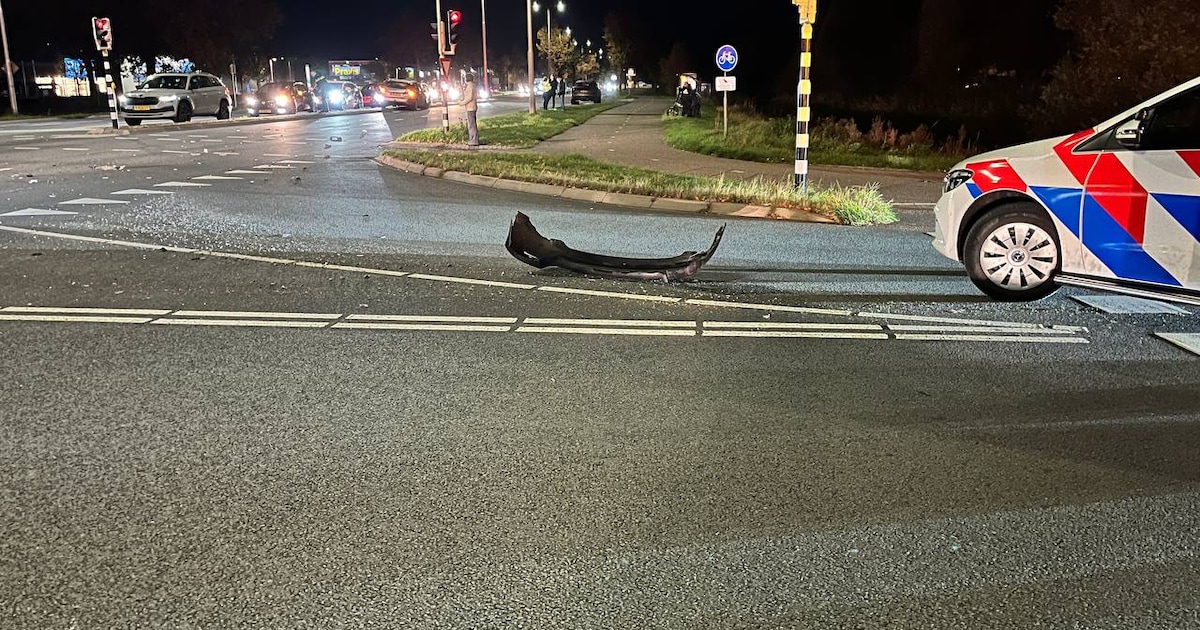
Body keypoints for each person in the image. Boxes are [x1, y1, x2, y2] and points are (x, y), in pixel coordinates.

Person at [459, 72, 479, 146]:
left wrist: (462, 103)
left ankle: (473, 140)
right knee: (472, 123)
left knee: (471, 124)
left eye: (465, 78)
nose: (465, 79)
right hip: (472, 107)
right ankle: (473, 139)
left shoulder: (470, 86)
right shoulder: (472, 85)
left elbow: (469, 97)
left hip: (471, 107)